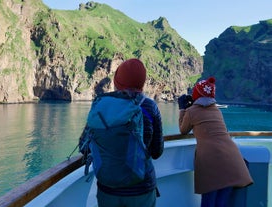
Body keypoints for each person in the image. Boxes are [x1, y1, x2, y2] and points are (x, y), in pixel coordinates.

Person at [79, 58, 164, 207]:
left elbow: (83, 146)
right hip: (142, 189)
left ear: (117, 81)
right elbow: (157, 151)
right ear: (142, 82)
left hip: (108, 190)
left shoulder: (102, 107)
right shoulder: (150, 107)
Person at [177, 77, 253, 207]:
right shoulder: (217, 111)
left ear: (196, 94)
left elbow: (183, 130)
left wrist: (182, 109)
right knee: (221, 203)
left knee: (208, 202)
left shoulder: (191, 112)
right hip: (231, 158)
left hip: (210, 161)